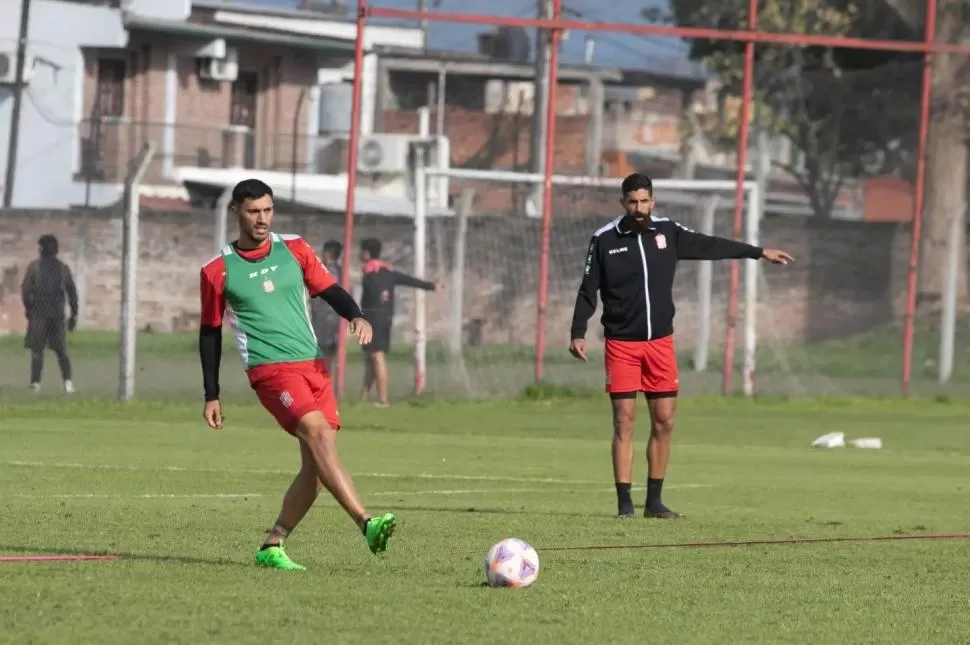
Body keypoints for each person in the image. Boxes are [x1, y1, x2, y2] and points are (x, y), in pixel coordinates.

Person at [568, 173, 793, 520]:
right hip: (622, 345)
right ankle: (625, 505)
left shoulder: (667, 232)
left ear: (652, 201)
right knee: (624, 422)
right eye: (632, 202)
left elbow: (709, 245)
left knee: (665, 422)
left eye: (644, 201)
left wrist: (757, 252)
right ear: (622, 203)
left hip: (660, 343)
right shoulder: (603, 240)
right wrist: (578, 331)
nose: (639, 208)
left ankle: (654, 502)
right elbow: (588, 289)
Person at [198, 179, 396, 571]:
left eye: (268, 210)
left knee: (317, 470)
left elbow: (330, 289)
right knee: (319, 434)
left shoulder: (295, 249)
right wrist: (212, 393)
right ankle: (366, 522)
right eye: (254, 211)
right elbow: (209, 333)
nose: (263, 219)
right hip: (270, 371)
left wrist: (356, 315)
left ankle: (273, 544)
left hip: (313, 365)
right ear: (236, 211)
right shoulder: (217, 270)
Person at [358, 237, 443, 406]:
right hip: (385, 317)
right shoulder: (388, 271)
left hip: (373, 318)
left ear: (366, 253)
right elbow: (409, 280)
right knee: (371, 358)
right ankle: (364, 397)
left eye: (361, 251)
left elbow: (366, 300)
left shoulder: (369, 272)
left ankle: (383, 399)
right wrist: (432, 286)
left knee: (376, 356)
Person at [21, 234, 78, 394]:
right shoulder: (63, 269)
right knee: (61, 351)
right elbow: (72, 293)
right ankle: (68, 383)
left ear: (42, 249)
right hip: (57, 315)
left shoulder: (34, 268)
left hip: (39, 315)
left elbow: (25, 292)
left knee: (37, 351)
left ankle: (35, 383)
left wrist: (29, 309)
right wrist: (73, 314)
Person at [310, 239, 344, 369]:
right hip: (335, 317)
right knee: (328, 355)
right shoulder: (341, 271)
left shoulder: (326, 271)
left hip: (324, 317)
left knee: (320, 354)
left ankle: (322, 383)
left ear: (326, 253)